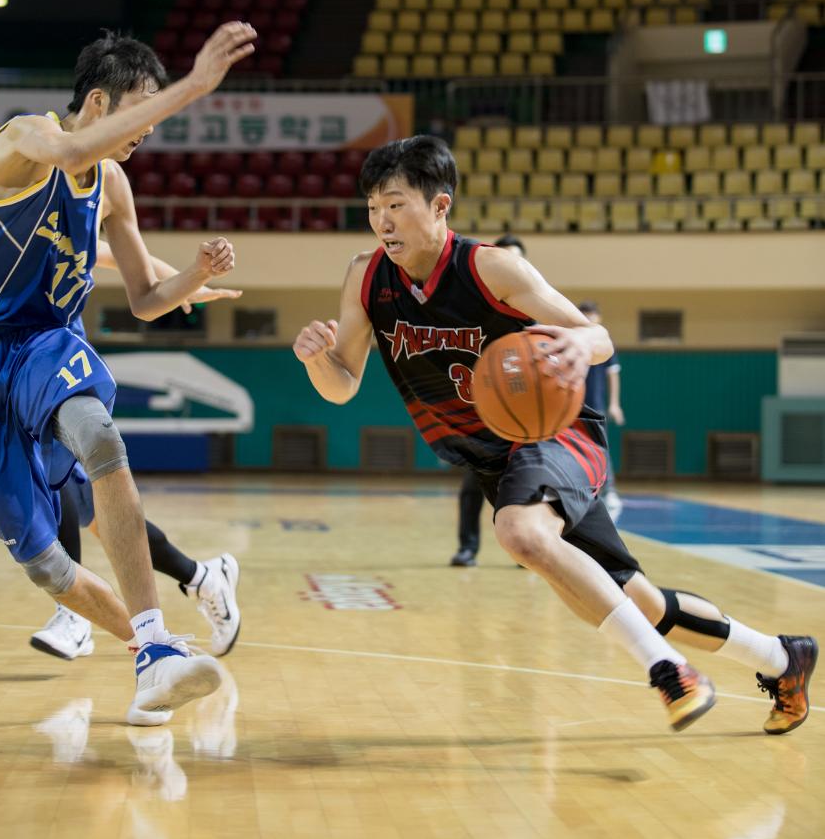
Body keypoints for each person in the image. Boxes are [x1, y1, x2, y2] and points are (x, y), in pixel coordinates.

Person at [293, 135, 817, 734]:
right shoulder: (366, 277)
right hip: (493, 459)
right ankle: (783, 659)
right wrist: (316, 360)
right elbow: (343, 384)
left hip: (555, 434)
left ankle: (669, 670)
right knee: (639, 602)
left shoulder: (490, 267)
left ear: (440, 206)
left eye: (395, 204)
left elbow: (599, 339)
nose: (382, 222)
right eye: (372, 208)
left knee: (518, 532)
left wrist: (575, 342)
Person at [0, 23, 255, 725]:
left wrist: (188, 276)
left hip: (41, 345)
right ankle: (147, 650)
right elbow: (69, 150)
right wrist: (193, 87)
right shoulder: (22, 141)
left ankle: (158, 652)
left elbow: (144, 299)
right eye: (140, 110)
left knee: (96, 436)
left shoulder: (115, 188)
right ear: (98, 101)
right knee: (46, 567)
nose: (146, 130)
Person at [30, 239, 242, 661]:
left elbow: (120, 256)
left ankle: (72, 614)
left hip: (55, 364)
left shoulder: (52, 213)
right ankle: (202, 577)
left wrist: (185, 283)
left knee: (53, 473)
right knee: (106, 519)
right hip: (14, 367)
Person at [450, 233, 525, 567]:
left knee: (528, 486)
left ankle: (531, 549)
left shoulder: (532, 305)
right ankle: (468, 548)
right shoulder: (474, 308)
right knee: (472, 486)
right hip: (482, 413)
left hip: (525, 413)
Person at [578, 299, 625, 523]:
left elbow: (613, 375)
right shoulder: (573, 341)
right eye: (584, 314)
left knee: (601, 450)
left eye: (592, 314)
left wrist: (614, 404)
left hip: (595, 406)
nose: (588, 318)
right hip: (573, 407)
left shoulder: (604, 345)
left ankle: (610, 491)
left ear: (599, 318)